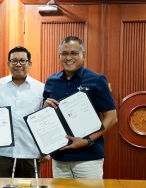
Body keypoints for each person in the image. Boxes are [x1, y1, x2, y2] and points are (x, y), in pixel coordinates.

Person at [43, 36, 118, 179]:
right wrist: (45, 107)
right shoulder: (51, 81)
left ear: (83, 54)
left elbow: (112, 117)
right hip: (60, 158)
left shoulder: (97, 80)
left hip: (88, 158)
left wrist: (87, 140)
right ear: (59, 56)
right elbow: (47, 116)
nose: (68, 57)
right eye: (64, 53)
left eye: (74, 53)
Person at [0, 46, 50, 178]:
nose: (18, 64)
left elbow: (45, 121)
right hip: (3, 152)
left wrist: (46, 150)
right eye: (14, 61)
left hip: (31, 152)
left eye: (22, 61)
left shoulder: (41, 88)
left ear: (29, 64)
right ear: (8, 64)